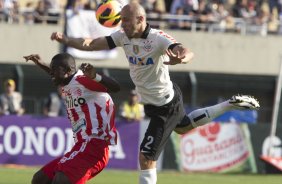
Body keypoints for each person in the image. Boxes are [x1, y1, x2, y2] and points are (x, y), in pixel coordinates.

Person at [50, 2, 260, 184]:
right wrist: (66, 40)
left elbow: (187, 52)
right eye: (121, 20)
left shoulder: (158, 38)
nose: (122, 25)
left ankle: (229, 104)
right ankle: (230, 104)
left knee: (146, 157)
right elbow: (92, 44)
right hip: (154, 101)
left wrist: (180, 59)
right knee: (184, 126)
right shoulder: (123, 36)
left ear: (141, 18)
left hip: (164, 104)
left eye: (126, 21)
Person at [23, 53, 120, 184]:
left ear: (68, 71)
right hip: (82, 146)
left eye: (54, 69)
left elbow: (115, 87)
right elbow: (57, 75)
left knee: (61, 180)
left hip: (95, 146)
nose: (51, 72)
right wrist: (41, 64)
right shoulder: (68, 81)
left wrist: (95, 77)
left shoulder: (82, 81)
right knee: (40, 179)